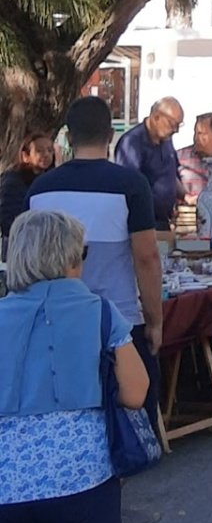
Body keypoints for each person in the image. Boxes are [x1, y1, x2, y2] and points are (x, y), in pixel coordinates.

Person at [0, 211, 150, 523]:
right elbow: (135, 393)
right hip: (83, 474)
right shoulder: (101, 312)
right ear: (68, 257)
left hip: (10, 482)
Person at [27, 96, 164, 430]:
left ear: (69, 138)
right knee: (129, 417)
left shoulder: (40, 189)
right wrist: (155, 320)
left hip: (54, 318)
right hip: (117, 318)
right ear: (109, 135)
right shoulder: (130, 185)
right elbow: (146, 256)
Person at [114, 96, 184, 232]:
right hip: (143, 224)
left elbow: (170, 174)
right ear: (156, 117)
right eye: (172, 124)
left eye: (179, 125)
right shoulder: (132, 143)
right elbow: (129, 186)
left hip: (164, 222)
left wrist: (185, 196)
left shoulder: (167, 139)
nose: (176, 130)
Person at [0, 133, 55, 258]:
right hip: (19, 246)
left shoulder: (53, 178)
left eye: (49, 150)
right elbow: (8, 218)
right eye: (39, 151)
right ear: (25, 155)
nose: (46, 155)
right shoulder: (13, 180)